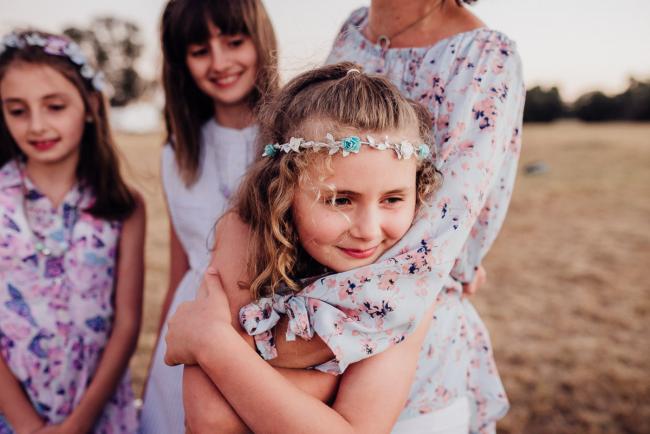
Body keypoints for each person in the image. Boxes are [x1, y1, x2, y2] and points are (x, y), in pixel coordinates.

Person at [171, 0, 525, 431]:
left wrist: (219, 345)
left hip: (412, 381)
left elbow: (423, 261)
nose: (368, 227)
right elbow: (208, 418)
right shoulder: (355, 28)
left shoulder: (484, 58)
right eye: (341, 200)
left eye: (394, 199)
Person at [140, 0, 279, 432]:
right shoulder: (176, 153)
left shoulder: (293, 137)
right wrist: (152, 370)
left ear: (260, 40)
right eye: (200, 51)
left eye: (234, 42)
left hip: (274, 330)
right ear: (181, 61)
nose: (220, 62)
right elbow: (182, 265)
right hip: (192, 326)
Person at [0, 30, 144, 433]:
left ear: (89, 106)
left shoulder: (124, 206)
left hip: (96, 408)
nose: (37, 125)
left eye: (55, 106)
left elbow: (127, 323)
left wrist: (79, 424)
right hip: (12, 410)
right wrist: (28, 425)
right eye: (17, 110)